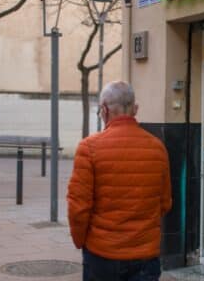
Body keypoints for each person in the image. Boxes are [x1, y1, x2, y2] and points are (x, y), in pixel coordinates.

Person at [67, 81, 172, 281]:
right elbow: (165, 203)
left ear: (104, 110)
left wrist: (82, 242)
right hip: (145, 256)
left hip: (101, 254)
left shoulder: (89, 148)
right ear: (135, 109)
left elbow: (78, 207)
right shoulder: (158, 148)